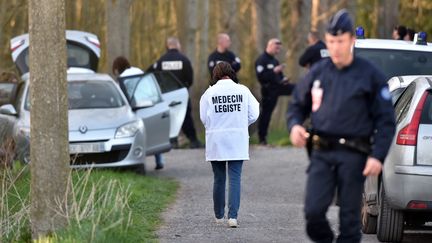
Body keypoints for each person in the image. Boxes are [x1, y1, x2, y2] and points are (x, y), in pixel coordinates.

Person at [287, 9, 396, 243]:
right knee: (313, 213)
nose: (335, 47)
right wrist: (295, 125)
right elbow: (297, 104)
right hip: (321, 153)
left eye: (341, 41)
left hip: (354, 155)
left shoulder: (370, 76)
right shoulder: (318, 72)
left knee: (349, 223)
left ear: (352, 41)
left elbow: (386, 121)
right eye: (331, 41)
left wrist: (378, 156)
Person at [199, 62, 259, 228]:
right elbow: (254, 113)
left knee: (218, 178)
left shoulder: (209, 93)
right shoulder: (243, 90)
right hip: (237, 138)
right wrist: (241, 123)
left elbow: (204, 118)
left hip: (216, 139)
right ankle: (233, 217)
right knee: (235, 178)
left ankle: (219, 216)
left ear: (215, 75)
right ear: (231, 73)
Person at [146, 37, 203, 149]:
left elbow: (149, 73)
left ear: (167, 45)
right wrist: (185, 87)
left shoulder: (161, 61)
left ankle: (172, 141)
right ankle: (193, 140)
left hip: (166, 95)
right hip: (182, 94)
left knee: (168, 118)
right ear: (177, 45)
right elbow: (190, 79)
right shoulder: (184, 60)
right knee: (186, 117)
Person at [112, 56, 165, 170]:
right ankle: (159, 160)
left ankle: (139, 162)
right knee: (154, 133)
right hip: (151, 103)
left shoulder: (122, 78)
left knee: (139, 136)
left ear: (117, 68)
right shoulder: (138, 70)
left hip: (137, 108)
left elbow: (123, 96)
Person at [255, 38, 295, 145]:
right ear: (270, 46)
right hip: (268, 90)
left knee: (297, 89)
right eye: (276, 48)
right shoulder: (261, 60)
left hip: (278, 88)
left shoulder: (275, 60)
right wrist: (273, 71)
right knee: (266, 114)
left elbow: (280, 76)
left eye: (279, 49)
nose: (278, 51)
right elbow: (261, 77)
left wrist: (284, 80)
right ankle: (262, 139)